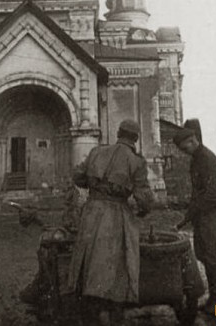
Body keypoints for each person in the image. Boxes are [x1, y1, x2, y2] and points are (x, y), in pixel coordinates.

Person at [68, 119, 154, 326]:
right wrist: (144, 210)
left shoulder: (97, 152)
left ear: (118, 133)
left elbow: (78, 177)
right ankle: (115, 311)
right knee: (120, 261)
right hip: (117, 213)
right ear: (135, 138)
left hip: (91, 212)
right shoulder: (137, 161)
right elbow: (143, 196)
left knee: (89, 258)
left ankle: (90, 309)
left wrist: (94, 184)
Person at [174, 125, 216, 315]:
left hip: (214, 212)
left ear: (192, 140)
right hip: (204, 212)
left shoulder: (206, 158)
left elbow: (213, 192)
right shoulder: (196, 160)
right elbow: (197, 193)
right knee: (204, 254)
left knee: (215, 255)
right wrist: (187, 217)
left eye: (184, 148)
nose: (184, 152)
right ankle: (214, 300)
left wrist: (195, 211)